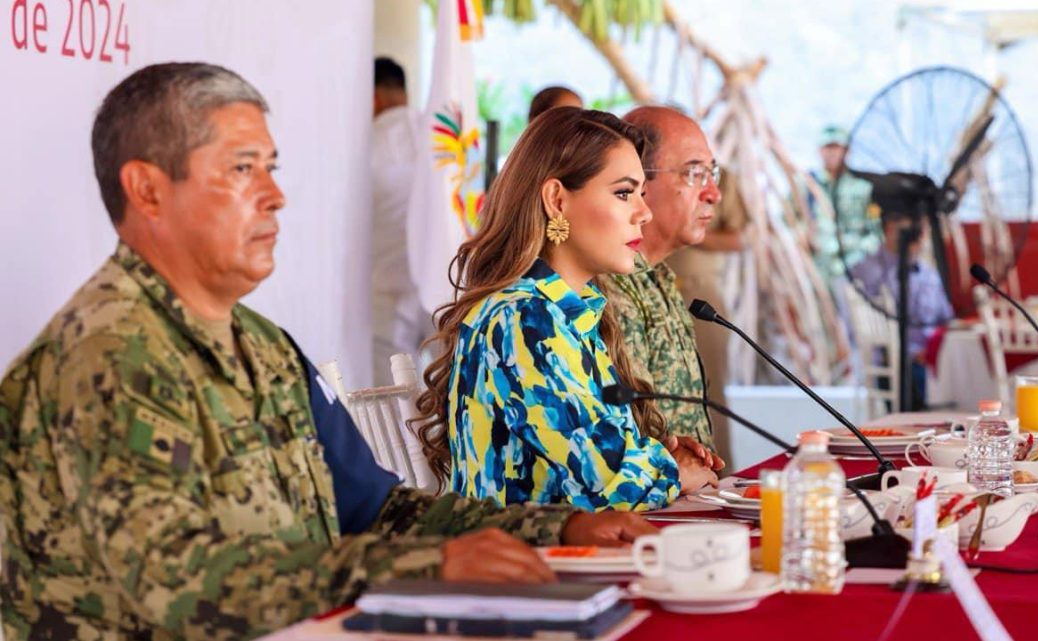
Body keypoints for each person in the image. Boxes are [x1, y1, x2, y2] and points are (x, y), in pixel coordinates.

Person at [0, 63, 656, 641]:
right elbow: (187, 588)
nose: (275, 193)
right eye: (240, 168)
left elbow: (376, 509)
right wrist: (431, 567)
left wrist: (558, 528)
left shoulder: (265, 347)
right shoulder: (108, 355)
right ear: (147, 190)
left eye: (271, 167)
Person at [413, 107, 720, 512]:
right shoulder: (523, 319)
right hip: (530, 564)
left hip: (575, 557)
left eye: (642, 194)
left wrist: (655, 455)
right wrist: (670, 470)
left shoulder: (574, 314)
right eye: (624, 193)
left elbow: (592, 454)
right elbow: (607, 486)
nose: (643, 213)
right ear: (557, 200)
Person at [605, 106, 722, 452]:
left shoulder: (660, 278)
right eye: (694, 173)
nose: (713, 192)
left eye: (712, 173)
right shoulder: (610, 287)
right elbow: (629, 439)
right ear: (637, 183)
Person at [664, 168, 749, 470]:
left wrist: (690, 232)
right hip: (657, 285)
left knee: (710, 394)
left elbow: (739, 238)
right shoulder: (652, 173)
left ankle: (720, 473)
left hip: (698, 293)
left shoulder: (722, 177)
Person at [849, 209, 954, 407]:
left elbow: (946, 318)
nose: (918, 235)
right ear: (889, 228)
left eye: (920, 229)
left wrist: (933, 348)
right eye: (910, 228)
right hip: (896, 362)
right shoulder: (867, 270)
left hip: (934, 358)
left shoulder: (928, 273)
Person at [372, 57, 433, 385]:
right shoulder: (441, 136)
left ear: (373, 98)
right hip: (443, 288)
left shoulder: (365, 146)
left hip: (387, 297)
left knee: (395, 414)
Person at [805, 124, 877, 283]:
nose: (831, 153)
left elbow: (875, 235)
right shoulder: (806, 186)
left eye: (836, 147)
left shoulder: (864, 188)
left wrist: (857, 253)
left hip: (855, 271)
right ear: (819, 150)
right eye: (827, 147)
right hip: (817, 272)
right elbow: (787, 222)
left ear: (847, 151)